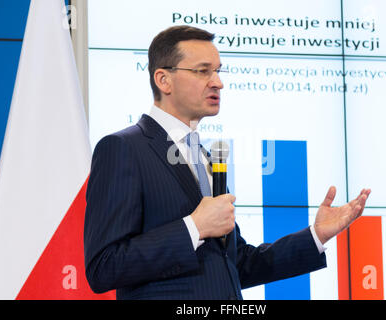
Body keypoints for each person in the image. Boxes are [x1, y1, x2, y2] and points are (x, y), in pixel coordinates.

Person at [83, 25, 371, 300]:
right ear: (163, 80)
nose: (218, 82)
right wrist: (193, 227)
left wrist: (315, 236)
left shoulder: (202, 156)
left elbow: (234, 263)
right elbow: (104, 267)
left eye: (217, 71)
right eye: (202, 71)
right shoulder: (122, 148)